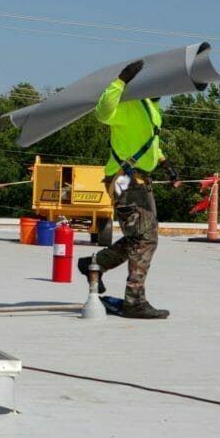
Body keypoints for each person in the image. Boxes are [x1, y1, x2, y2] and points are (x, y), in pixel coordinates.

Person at [78, 59, 178, 319]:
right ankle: (134, 301)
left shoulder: (151, 107)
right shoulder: (128, 102)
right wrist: (120, 81)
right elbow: (102, 113)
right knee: (145, 239)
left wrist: (164, 161)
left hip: (142, 180)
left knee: (140, 238)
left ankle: (94, 264)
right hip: (127, 181)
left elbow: (149, 141)